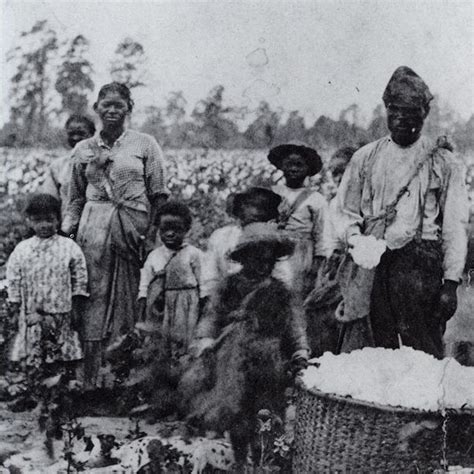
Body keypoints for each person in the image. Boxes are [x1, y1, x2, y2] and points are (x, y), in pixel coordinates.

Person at [335, 66, 469, 358]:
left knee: (423, 354)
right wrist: (356, 239)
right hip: (373, 265)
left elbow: (455, 226)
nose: (401, 118)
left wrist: (450, 283)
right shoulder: (365, 158)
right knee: (377, 352)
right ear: (386, 110)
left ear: (424, 114)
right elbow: (344, 210)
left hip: (420, 267)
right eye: (394, 110)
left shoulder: (442, 162)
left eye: (410, 112)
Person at [62, 82, 168, 388]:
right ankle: (93, 381)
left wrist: (153, 236)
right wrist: (65, 241)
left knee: (131, 299)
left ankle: (126, 380)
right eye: (105, 104)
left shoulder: (145, 144)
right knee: (93, 302)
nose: (111, 110)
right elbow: (75, 200)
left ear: (129, 108)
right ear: (96, 108)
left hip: (133, 230)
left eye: (118, 105)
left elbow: (159, 195)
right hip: (92, 234)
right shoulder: (83, 150)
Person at [181, 222, 309, 470]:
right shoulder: (229, 286)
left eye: (268, 260)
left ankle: (266, 461)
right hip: (233, 362)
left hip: (269, 363)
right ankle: (240, 461)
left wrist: (300, 351)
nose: (263, 265)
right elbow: (212, 315)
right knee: (237, 414)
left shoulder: (281, 291)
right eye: (257, 259)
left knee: (268, 414)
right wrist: (205, 341)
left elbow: (295, 325)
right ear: (244, 258)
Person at [6, 194, 87, 408]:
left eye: (49, 219)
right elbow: (13, 278)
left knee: (60, 354)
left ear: (58, 220)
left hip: (61, 312)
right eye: (38, 220)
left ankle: (60, 397)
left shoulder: (68, 247)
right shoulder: (23, 249)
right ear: (29, 221)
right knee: (34, 354)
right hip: (32, 314)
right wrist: (14, 303)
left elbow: (79, 276)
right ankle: (33, 394)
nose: (44, 225)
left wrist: (77, 303)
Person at [305, 146, 357, 356]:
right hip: (341, 267)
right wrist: (334, 256)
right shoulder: (335, 204)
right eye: (334, 173)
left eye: (344, 171)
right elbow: (330, 240)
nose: (338, 177)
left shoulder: (370, 200)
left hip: (364, 266)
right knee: (315, 307)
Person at [203, 186, 290, 295]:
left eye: (262, 207)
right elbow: (210, 276)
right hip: (228, 295)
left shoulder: (276, 239)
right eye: (249, 205)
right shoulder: (221, 236)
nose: (255, 211)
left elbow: (284, 276)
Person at [268, 142, 328, 299]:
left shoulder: (316, 199)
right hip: (274, 250)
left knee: (297, 296)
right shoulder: (273, 193)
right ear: (281, 166)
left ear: (308, 169)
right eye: (289, 164)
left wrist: (316, 268)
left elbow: (322, 236)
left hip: (301, 254)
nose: (293, 169)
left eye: (299, 165)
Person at [41, 115, 96, 219]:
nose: (75, 138)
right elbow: (49, 200)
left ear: (92, 134)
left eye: (81, 133)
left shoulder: (102, 163)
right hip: (68, 222)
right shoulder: (57, 166)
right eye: (71, 134)